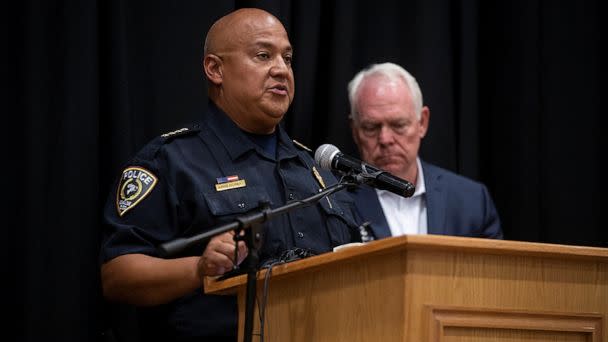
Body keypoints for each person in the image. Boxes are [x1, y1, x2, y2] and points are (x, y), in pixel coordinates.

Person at [100, 8, 361, 341]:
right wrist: (199, 268)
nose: (281, 69)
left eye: (288, 58)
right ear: (215, 69)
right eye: (263, 56)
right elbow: (118, 275)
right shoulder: (172, 162)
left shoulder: (315, 170)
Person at [347, 62, 503, 240]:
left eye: (398, 125)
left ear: (422, 123)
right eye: (371, 127)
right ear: (354, 130)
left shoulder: (471, 201)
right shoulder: (333, 202)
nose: (385, 139)